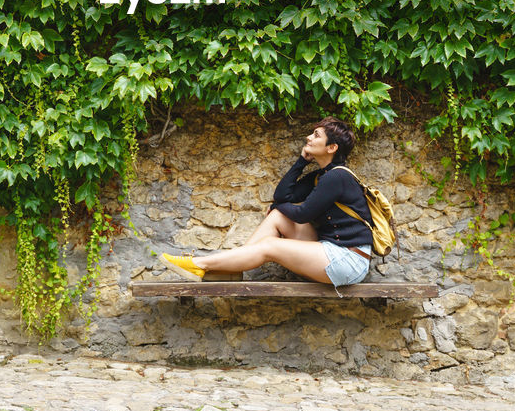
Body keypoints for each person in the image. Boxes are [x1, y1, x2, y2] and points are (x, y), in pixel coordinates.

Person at [159, 116, 374, 288]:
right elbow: (282, 197)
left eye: (316, 135)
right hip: (329, 249)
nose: (308, 137)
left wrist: (277, 207)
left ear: (331, 147)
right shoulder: (320, 176)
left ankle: (200, 264)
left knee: (270, 245)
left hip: (348, 260)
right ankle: (231, 271)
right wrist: (301, 162)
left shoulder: (338, 177)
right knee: (278, 216)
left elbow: (303, 214)